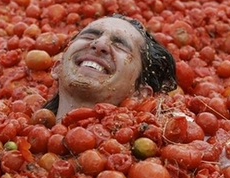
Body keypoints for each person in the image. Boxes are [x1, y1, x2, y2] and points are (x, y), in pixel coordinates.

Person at [43, 14, 177, 121]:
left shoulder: (149, 150)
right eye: (89, 36)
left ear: (141, 94)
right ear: (57, 67)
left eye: (120, 45)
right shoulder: (23, 131)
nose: (99, 44)